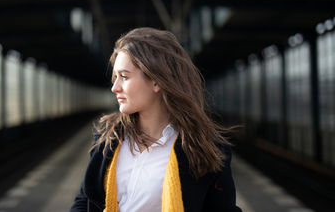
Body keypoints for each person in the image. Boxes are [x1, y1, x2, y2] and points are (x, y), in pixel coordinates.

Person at [70, 27, 242, 212]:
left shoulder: (203, 148)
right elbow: (85, 199)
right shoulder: (107, 137)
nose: (115, 87)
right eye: (115, 77)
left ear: (156, 81)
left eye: (124, 77)